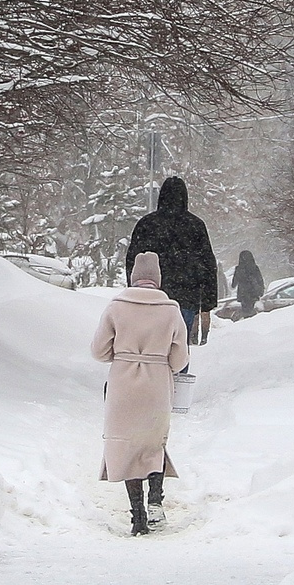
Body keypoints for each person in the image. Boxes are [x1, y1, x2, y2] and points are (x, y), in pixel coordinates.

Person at [92, 252, 188, 535]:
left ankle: (138, 516)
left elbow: (98, 351)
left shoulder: (116, 307)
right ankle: (156, 499)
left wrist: (123, 354)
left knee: (126, 446)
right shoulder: (171, 309)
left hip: (122, 384)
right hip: (157, 384)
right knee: (152, 442)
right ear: (158, 280)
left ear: (133, 277)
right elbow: (180, 359)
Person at [124, 176, 218, 355]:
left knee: (151, 343)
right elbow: (208, 264)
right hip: (186, 297)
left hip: (151, 296)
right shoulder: (195, 225)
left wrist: (133, 290)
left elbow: (132, 260)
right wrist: (206, 302)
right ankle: (178, 380)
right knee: (180, 346)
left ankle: (152, 377)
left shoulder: (147, 224)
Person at [232, 249, 265, 319]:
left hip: (243, 294)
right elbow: (260, 280)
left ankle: (247, 322)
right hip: (253, 293)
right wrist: (261, 290)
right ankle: (252, 321)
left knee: (245, 312)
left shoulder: (239, 269)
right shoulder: (255, 268)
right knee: (252, 311)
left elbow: (233, 284)